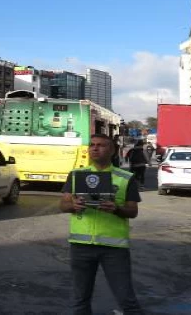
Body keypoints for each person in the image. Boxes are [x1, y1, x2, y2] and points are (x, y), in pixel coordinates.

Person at [60, 134, 143, 315]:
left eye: (101, 145)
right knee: (80, 300)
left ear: (112, 151)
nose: (95, 148)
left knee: (126, 299)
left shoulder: (126, 178)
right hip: (81, 246)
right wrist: (72, 205)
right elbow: (63, 205)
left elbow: (133, 211)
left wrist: (116, 209)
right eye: (92, 145)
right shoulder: (76, 175)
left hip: (113, 248)